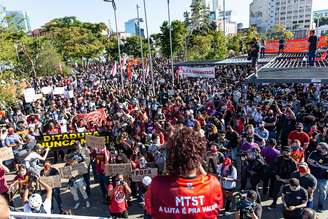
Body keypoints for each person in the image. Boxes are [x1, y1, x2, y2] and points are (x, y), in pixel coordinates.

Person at [145, 127, 224, 219]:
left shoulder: (157, 185)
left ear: (171, 156)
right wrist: (196, 160)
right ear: (199, 156)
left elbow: (150, 210)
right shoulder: (213, 184)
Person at [307, 142, 328, 212]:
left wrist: (318, 164)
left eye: (319, 148)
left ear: (324, 149)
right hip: (312, 176)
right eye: (317, 148)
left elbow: (325, 167)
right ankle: (309, 206)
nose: (317, 149)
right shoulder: (314, 153)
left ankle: (320, 206)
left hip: (323, 177)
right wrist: (319, 165)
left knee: (323, 192)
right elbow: (308, 160)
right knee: (310, 191)